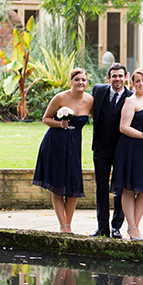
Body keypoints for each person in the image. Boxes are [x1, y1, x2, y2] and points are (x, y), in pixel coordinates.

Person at [33, 68, 94, 233]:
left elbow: (99, 120)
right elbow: (45, 119)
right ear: (71, 82)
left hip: (75, 146)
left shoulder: (90, 101)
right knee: (58, 185)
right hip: (56, 144)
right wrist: (60, 124)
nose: (80, 82)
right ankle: (64, 225)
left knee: (74, 187)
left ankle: (68, 222)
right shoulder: (60, 97)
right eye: (77, 79)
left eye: (83, 79)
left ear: (86, 82)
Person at [111, 68, 143, 240]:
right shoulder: (131, 101)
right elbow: (123, 127)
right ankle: (132, 228)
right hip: (131, 149)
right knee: (129, 188)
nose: (141, 84)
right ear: (132, 83)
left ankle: (135, 227)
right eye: (137, 81)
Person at [91, 63, 133, 238]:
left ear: (126, 77)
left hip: (121, 150)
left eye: (120, 76)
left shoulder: (131, 97)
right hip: (101, 148)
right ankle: (102, 227)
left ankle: (116, 226)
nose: (117, 79)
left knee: (119, 189)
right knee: (101, 188)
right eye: (114, 76)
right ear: (108, 78)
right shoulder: (98, 91)